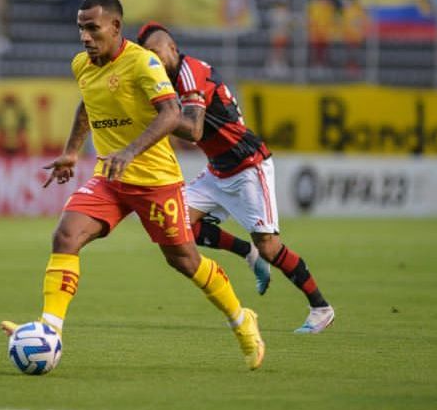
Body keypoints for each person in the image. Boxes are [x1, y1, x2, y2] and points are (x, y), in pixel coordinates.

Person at [0, 0, 265, 370]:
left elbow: (173, 113)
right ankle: (50, 330)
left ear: (115, 27)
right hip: (110, 179)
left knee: (184, 260)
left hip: (155, 180)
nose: (85, 37)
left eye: (93, 28)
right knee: (65, 236)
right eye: (81, 28)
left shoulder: (144, 63)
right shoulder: (82, 65)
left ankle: (242, 320)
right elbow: (87, 103)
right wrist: (73, 152)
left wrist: (130, 151)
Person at [137, 21, 334, 333]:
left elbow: (194, 130)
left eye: (155, 51)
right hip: (218, 169)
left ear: (172, 48)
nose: (152, 58)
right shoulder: (162, 83)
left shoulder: (190, 71)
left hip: (248, 166)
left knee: (271, 247)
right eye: (146, 54)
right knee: (176, 223)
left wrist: (161, 120)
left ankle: (320, 308)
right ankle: (247, 251)